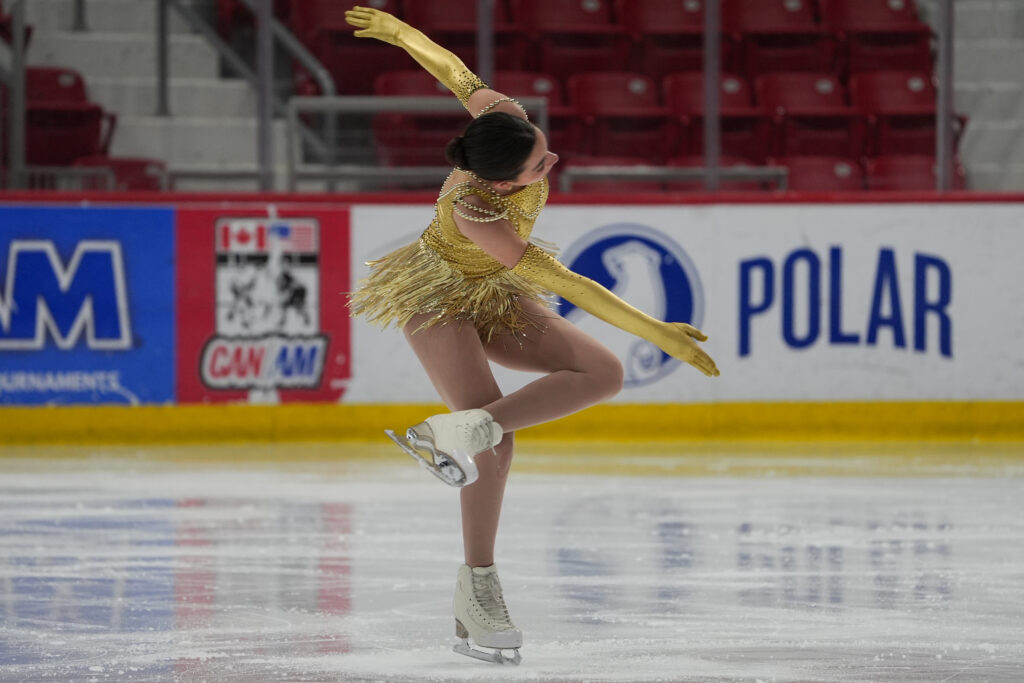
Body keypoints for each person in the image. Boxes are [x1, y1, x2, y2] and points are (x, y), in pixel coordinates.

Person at [344, 5, 719, 665]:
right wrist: (659, 331)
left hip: (491, 289)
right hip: (435, 299)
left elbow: (456, 74)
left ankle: (454, 432)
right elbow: (575, 285)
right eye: (540, 167)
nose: (553, 160)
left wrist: (402, 34)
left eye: (542, 145)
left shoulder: (504, 121)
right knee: (497, 443)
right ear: (502, 183)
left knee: (603, 373)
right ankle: (477, 589)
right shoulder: (478, 212)